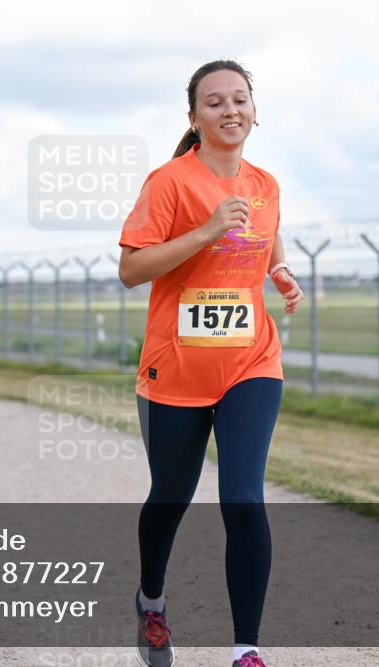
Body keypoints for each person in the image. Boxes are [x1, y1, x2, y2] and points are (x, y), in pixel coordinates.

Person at [118, 60, 303, 667]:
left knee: (244, 498)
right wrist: (204, 232)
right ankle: (152, 601)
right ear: (194, 117)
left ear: (255, 110)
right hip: (176, 369)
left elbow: (264, 228)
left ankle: (246, 649)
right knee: (172, 493)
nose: (230, 110)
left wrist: (277, 270)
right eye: (215, 102)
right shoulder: (170, 182)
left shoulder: (265, 183)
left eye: (240, 99)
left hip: (251, 360)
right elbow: (131, 270)